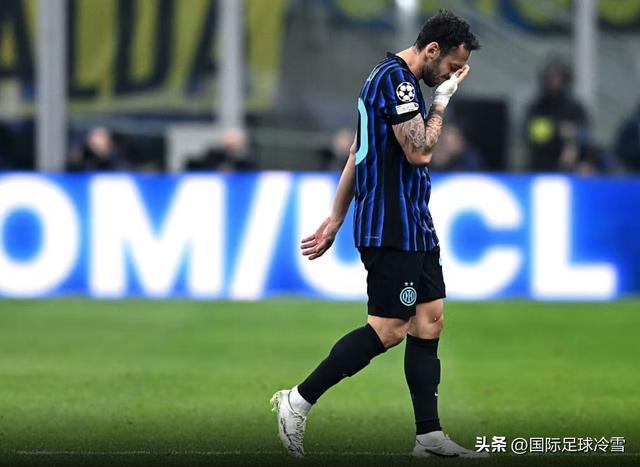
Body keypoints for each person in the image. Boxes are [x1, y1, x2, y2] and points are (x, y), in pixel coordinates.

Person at [271, 10, 487, 459]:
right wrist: (442, 102)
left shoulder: (390, 79)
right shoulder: (398, 82)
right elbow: (420, 152)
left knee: (430, 320)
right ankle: (297, 401)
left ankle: (428, 438)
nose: (451, 76)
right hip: (391, 225)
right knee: (389, 329)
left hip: (414, 222)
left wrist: (335, 216)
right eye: (451, 67)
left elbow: (358, 150)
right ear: (432, 50)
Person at [524, 57, 589, 172]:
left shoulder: (575, 108)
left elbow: (584, 134)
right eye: (551, 78)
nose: (555, 82)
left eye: (558, 78)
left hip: (569, 167)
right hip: (541, 164)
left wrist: (573, 139)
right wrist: (558, 129)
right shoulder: (537, 107)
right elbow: (533, 135)